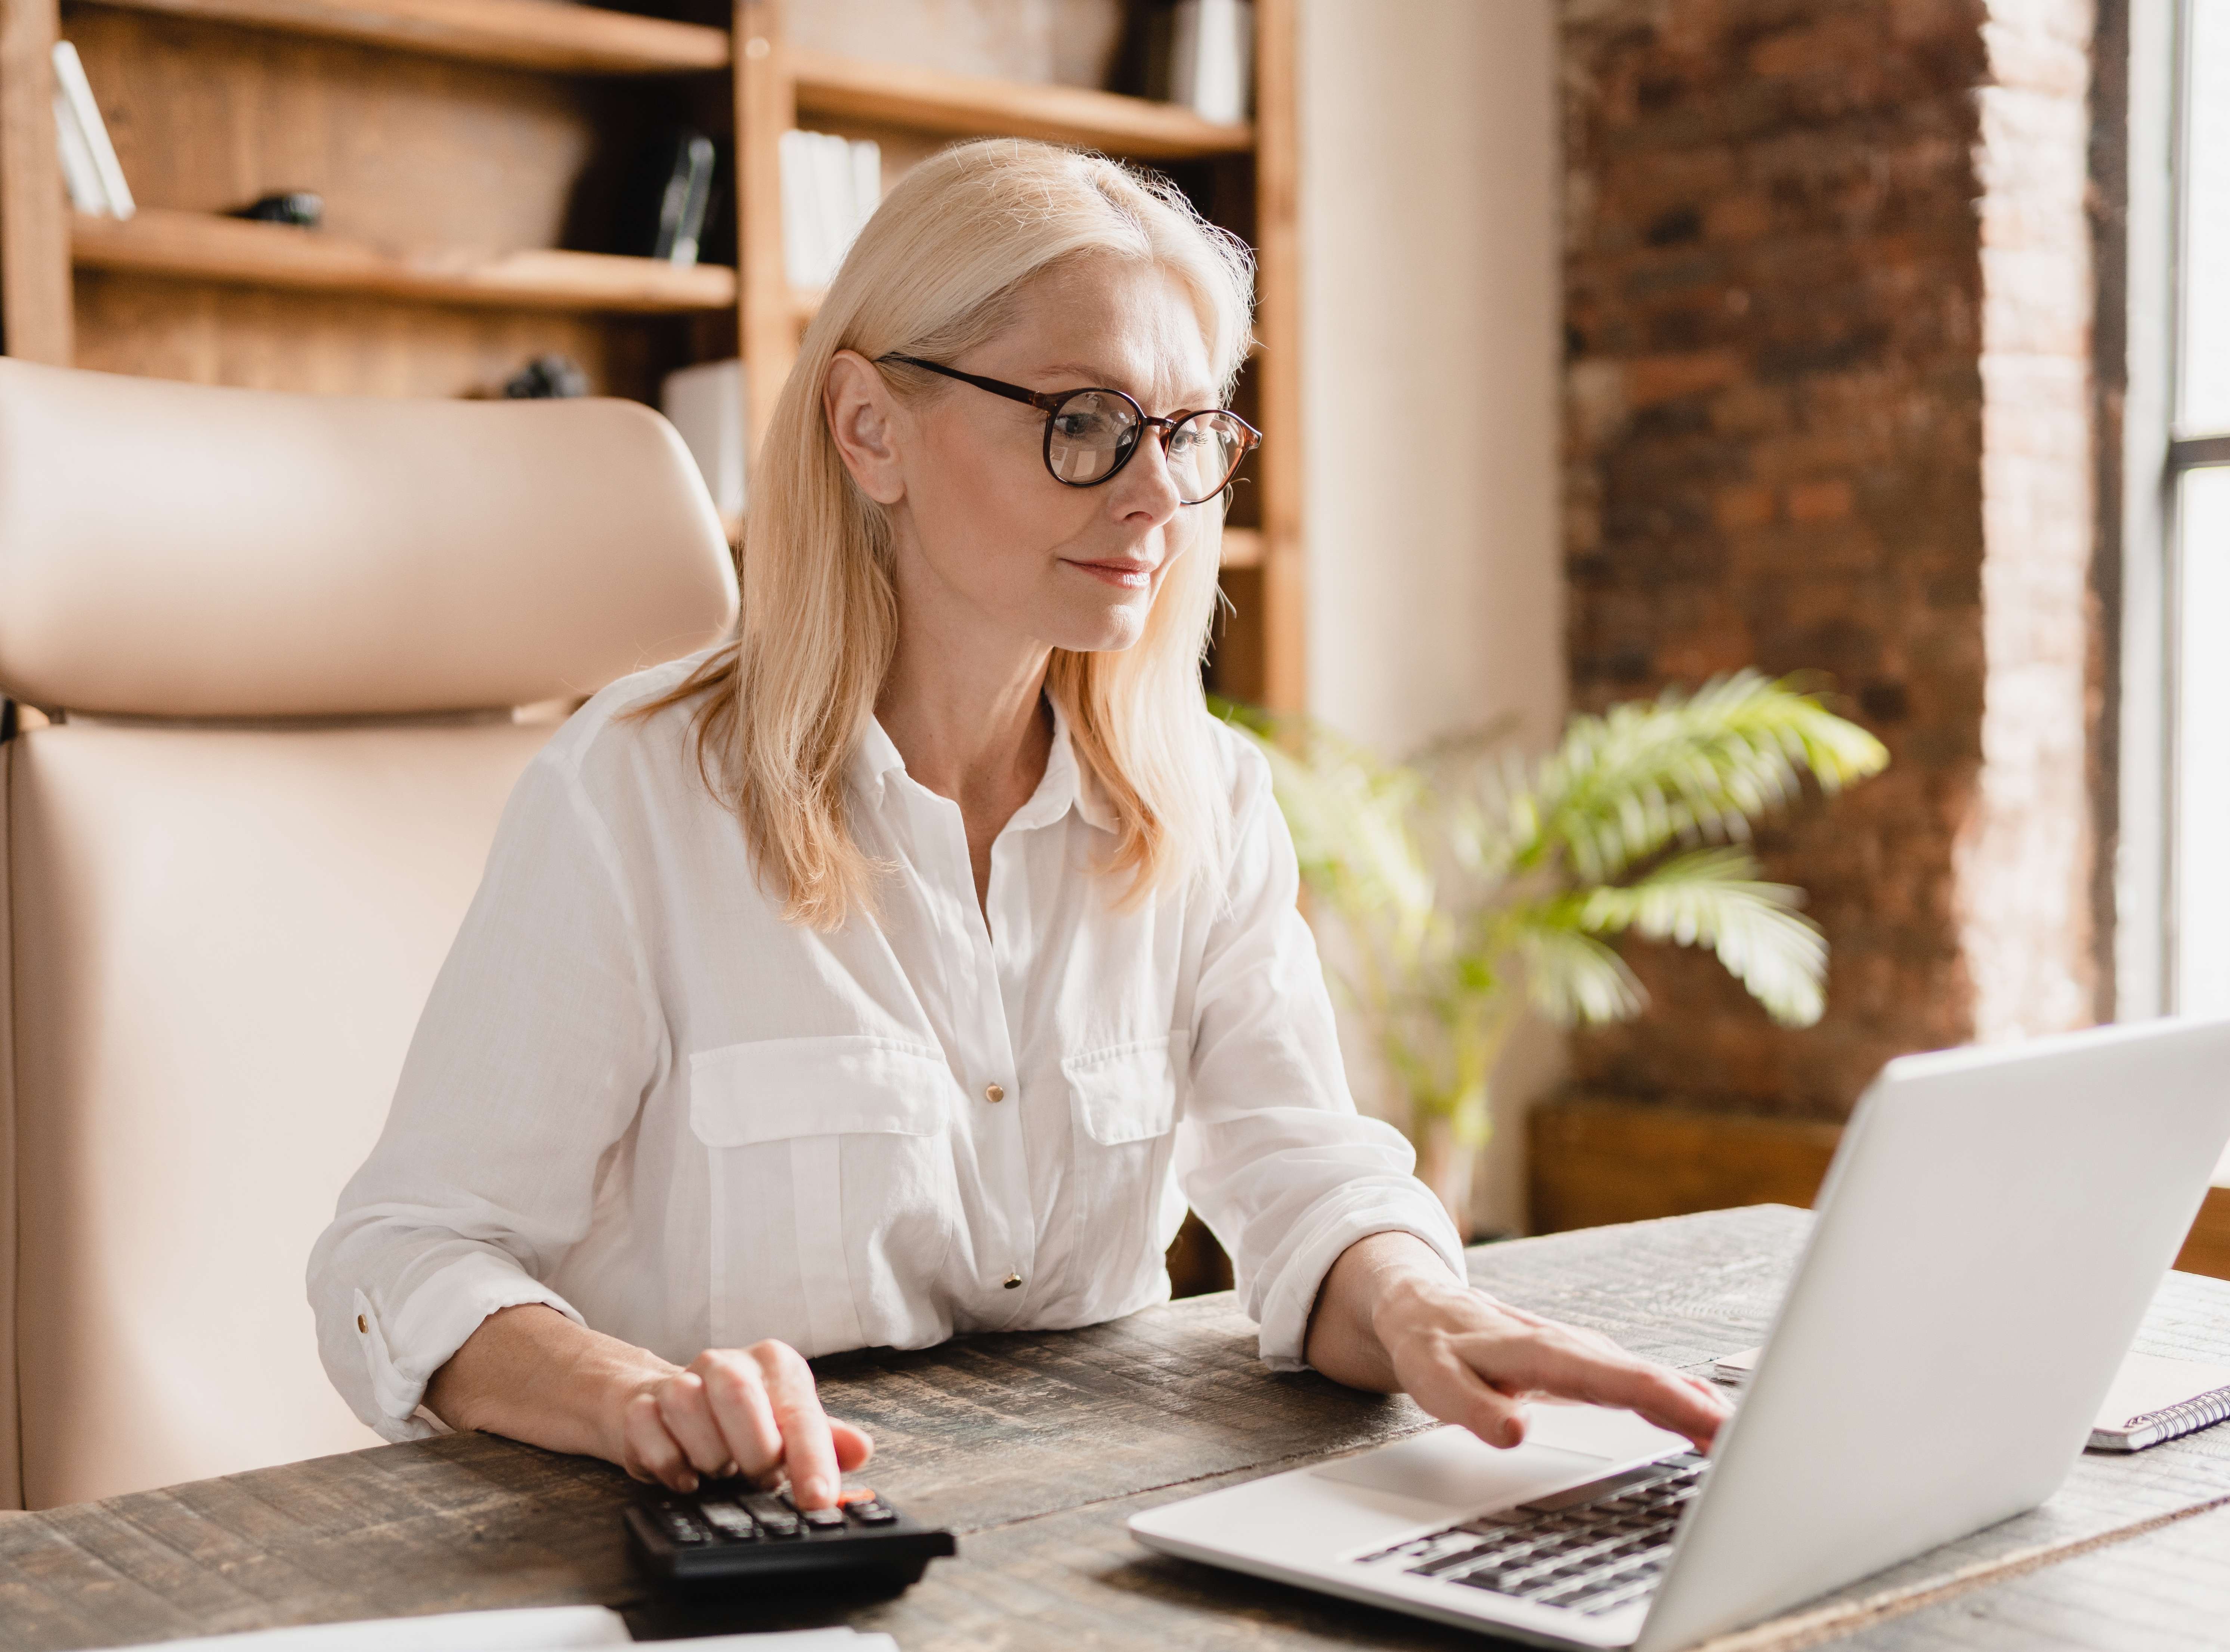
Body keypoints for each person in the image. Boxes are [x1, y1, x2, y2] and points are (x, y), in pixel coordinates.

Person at [309, 140, 1728, 1513]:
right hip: (750, 1563)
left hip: (1085, 1541)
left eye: (1185, 434)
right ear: (871, 431)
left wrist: (1423, 1307)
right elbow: (409, 1254)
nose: (1159, 495)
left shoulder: (1204, 802)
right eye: (1087, 424)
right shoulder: (636, 793)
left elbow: (1302, 1176)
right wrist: (629, 1397)